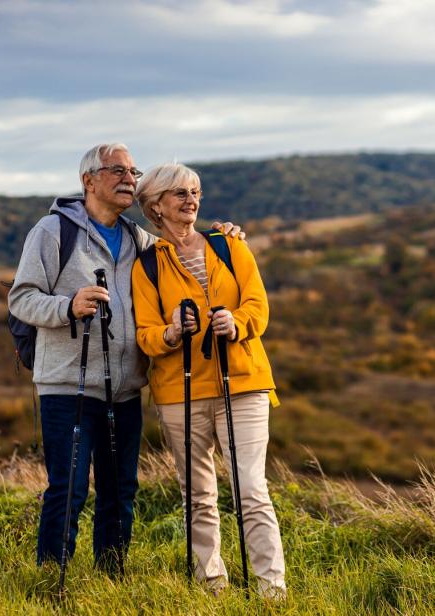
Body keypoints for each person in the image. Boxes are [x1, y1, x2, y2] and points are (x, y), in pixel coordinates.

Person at [8, 144, 242, 575]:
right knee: (69, 489)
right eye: (117, 170)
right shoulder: (52, 232)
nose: (129, 179)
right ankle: (49, 577)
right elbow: (21, 297)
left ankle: (111, 578)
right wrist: (67, 305)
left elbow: (182, 244)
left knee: (120, 491)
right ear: (89, 180)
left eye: (132, 170)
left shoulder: (138, 239)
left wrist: (220, 236)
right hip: (67, 384)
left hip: (125, 388)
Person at [132, 163, 286, 599]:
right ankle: (210, 585)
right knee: (197, 494)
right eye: (179, 193)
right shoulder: (147, 264)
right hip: (180, 390)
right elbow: (145, 333)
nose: (191, 200)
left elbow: (258, 306)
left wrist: (235, 323)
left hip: (243, 381)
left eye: (195, 191)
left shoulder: (230, 246)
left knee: (251, 489)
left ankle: (271, 590)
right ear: (155, 204)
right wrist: (172, 333)